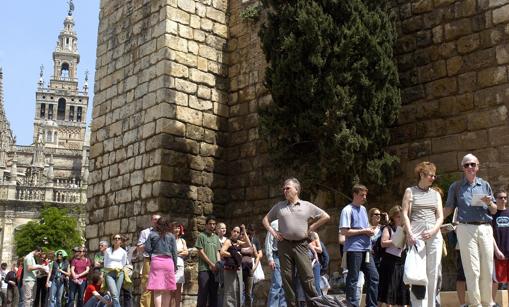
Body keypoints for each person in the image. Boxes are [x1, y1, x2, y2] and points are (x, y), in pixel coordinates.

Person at [263, 177, 330, 307]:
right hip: (284, 246)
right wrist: (274, 233)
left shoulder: (306, 206)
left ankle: (314, 305)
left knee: (307, 278)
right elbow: (265, 220)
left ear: (296, 190)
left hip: (301, 245)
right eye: (283, 188)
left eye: (287, 188)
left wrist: (311, 228)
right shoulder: (279, 206)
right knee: (287, 280)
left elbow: (325, 216)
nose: (284, 190)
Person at [444, 153, 497, 307]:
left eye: (472, 164)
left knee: (487, 267)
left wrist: (489, 203)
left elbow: (494, 210)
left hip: (485, 227)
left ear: (478, 167)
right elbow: (448, 208)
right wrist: (433, 218)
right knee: (472, 270)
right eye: (466, 165)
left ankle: (488, 302)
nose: (470, 167)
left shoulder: (485, 185)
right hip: (465, 228)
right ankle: (475, 304)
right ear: (463, 168)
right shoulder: (456, 186)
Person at [401, 161, 444, 307]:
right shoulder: (410, 191)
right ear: (421, 174)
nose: (433, 178)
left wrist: (433, 231)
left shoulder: (436, 194)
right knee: (417, 274)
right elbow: (405, 214)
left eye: (434, 176)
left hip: (434, 236)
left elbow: (440, 217)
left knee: (433, 273)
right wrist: (410, 233)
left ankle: (431, 304)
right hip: (416, 237)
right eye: (430, 175)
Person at [339, 183, 379, 307]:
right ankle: (351, 305)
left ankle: (371, 305)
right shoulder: (347, 210)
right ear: (354, 194)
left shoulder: (363, 209)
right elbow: (344, 231)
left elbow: (364, 227)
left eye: (365, 195)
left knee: (374, 277)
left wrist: (370, 230)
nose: (364, 198)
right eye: (362, 195)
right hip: (354, 249)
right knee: (353, 279)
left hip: (366, 250)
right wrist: (363, 231)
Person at [377, 205, 410, 307]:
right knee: (389, 291)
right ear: (393, 217)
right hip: (390, 263)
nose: (400, 219)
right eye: (398, 217)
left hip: (402, 262)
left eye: (402, 216)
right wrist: (396, 240)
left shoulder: (406, 228)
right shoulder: (388, 228)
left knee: (402, 292)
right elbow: (383, 243)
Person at [144, 217, 178, 307]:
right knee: (167, 290)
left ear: (158, 224)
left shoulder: (152, 234)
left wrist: (152, 254)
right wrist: (175, 265)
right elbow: (174, 252)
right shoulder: (171, 236)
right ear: (168, 225)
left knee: (157, 290)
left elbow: (147, 248)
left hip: (156, 262)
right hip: (168, 262)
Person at [220, 225, 251, 307]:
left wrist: (244, 231)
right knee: (230, 291)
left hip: (238, 269)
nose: (236, 233)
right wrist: (234, 254)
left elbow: (249, 246)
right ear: (231, 232)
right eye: (234, 231)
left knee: (238, 290)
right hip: (230, 270)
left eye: (238, 232)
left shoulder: (238, 242)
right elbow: (222, 252)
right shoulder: (228, 241)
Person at [196, 215, 221, 307]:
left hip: (215, 270)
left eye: (214, 224)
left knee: (214, 294)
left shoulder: (216, 237)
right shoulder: (201, 236)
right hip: (204, 269)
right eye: (210, 224)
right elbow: (200, 252)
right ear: (206, 225)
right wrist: (211, 264)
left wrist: (217, 264)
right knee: (203, 293)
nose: (212, 226)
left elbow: (218, 252)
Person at [137, 214, 161, 307]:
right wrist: (150, 243)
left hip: (161, 260)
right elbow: (139, 248)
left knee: (160, 286)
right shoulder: (145, 232)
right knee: (147, 285)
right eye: (155, 219)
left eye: (158, 219)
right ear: (152, 221)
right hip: (149, 259)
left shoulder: (164, 232)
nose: (156, 221)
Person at [492, 189, 509, 305]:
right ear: (495, 200)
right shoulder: (491, 215)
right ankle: (492, 303)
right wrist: (496, 250)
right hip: (497, 252)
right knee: (494, 280)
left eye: (505, 197)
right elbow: (489, 234)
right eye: (500, 197)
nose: (503, 199)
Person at [265, 219, 286, 307]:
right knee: (277, 284)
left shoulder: (292, 222)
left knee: (285, 285)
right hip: (277, 256)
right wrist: (270, 258)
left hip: (288, 257)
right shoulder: (275, 223)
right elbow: (269, 242)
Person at [104, 234, 128, 307]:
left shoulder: (123, 252)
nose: (117, 239)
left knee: (116, 294)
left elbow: (124, 263)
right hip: (109, 273)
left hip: (119, 273)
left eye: (118, 238)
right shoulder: (108, 250)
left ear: (121, 241)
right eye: (115, 238)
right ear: (113, 240)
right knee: (114, 294)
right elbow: (105, 263)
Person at [171, 223, 188, 307]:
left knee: (178, 290)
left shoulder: (182, 240)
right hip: (170, 265)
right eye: (175, 228)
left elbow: (186, 252)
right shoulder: (169, 240)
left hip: (180, 265)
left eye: (178, 228)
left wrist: (175, 253)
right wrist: (179, 252)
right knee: (171, 289)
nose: (177, 230)